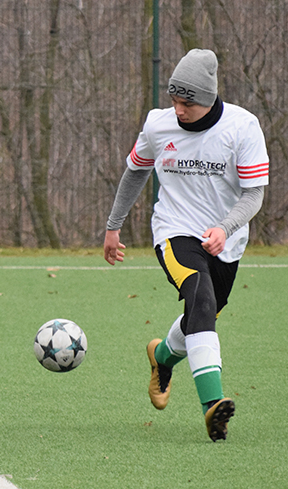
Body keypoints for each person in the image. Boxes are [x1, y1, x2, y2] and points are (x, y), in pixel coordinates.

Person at [103, 49, 269, 441]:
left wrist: (225, 228)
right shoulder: (158, 126)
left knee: (204, 314)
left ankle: (162, 356)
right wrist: (114, 227)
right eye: (174, 101)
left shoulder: (242, 127)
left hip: (226, 240)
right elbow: (134, 174)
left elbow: (254, 195)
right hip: (174, 231)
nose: (178, 110)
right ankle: (212, 405)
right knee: (201, 298)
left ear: (209, 98)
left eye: (187, 103)